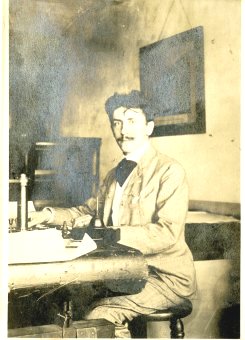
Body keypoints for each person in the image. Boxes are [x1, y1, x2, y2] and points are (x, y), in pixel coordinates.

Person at [29, 90, 196, 338]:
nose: (122, 130)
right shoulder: (113, 174)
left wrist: (110, 234)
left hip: (164, 278)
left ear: (149, 127)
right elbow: (85, 211)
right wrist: (47, 215)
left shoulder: (170, 171)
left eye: (131, 121)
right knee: (66, 303)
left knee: (98, 317)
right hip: (124, 274)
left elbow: (167, 233)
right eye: (116, 122)